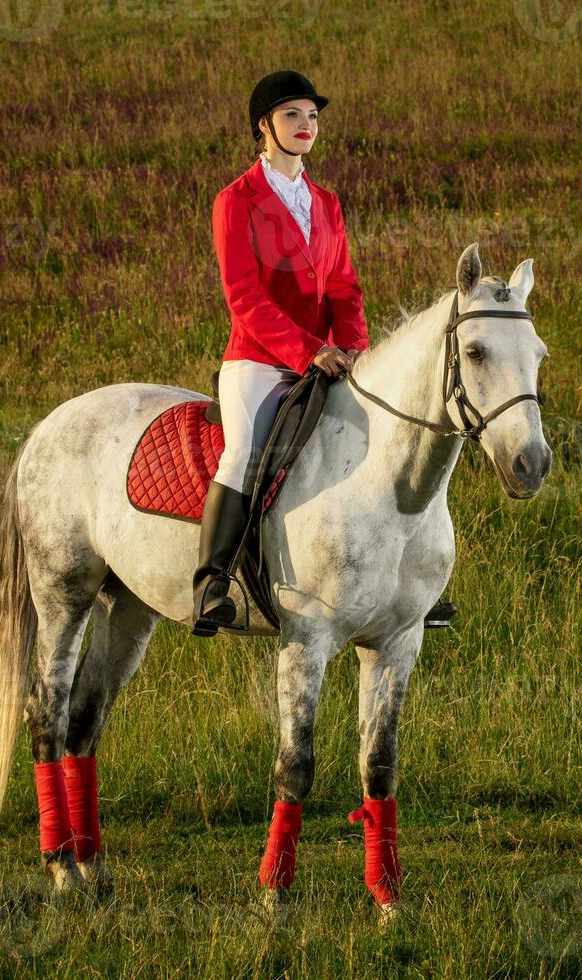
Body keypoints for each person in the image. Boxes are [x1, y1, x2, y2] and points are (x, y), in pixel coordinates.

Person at [193, 69, 454, 635]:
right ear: (263, 126)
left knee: (385, 444)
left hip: (332, 360)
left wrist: (356, 351)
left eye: (312, 116)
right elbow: (244, 297)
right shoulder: (235, 201)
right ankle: (213, 581)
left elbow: (345, 290)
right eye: (292, 115)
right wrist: (308, 349)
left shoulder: (326, 203)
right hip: (260, 362)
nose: (306, 125)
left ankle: (406, 587)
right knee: (244, 452)